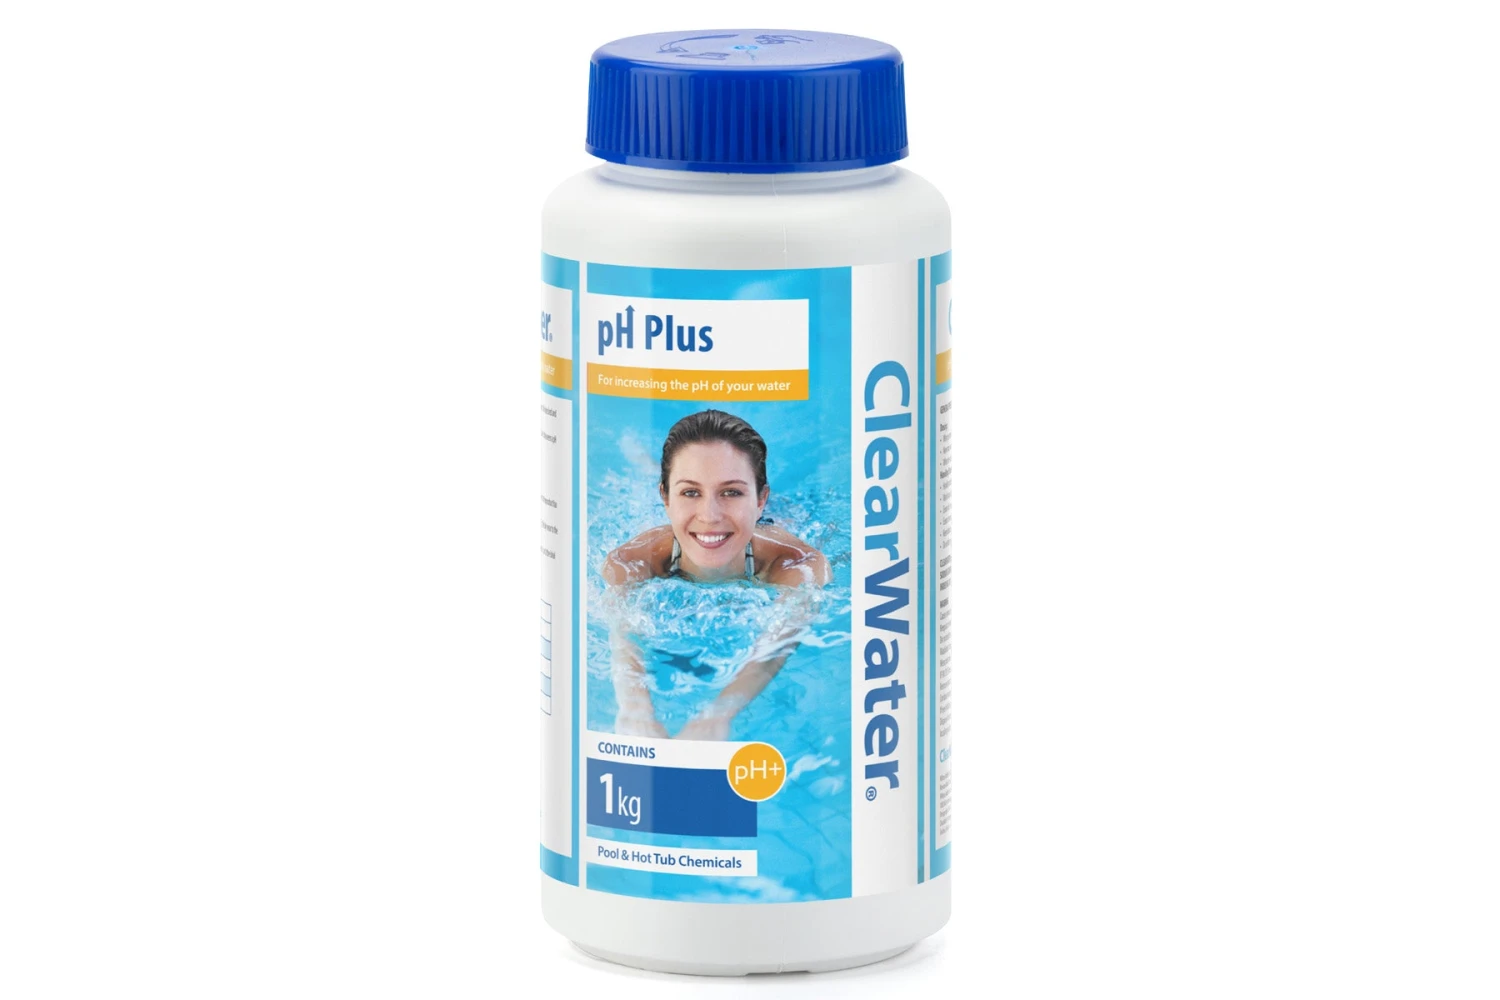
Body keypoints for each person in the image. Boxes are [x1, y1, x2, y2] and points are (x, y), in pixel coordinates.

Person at [602, 410, 830, 739]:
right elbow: (622, 636)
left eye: (732, 492)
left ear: (761, 499)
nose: (710, 515)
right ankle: (642, 461)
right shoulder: (630, 562)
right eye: (690, 492)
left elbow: (777, 645)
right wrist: (634, 709)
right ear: (665, 497)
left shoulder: (797, 563)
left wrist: (720, 713)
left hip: (780, 522)